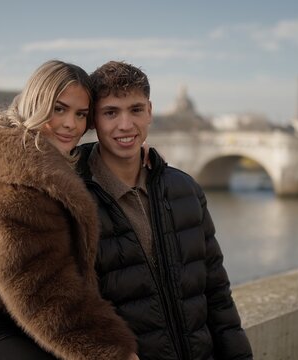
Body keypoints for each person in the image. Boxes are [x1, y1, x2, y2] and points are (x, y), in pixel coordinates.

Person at [0, 60, 138, 360]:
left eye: (81, 115)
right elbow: (39, 284)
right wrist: (112, 352)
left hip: (16, 320)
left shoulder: (40, 162)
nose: (71, 123)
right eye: (59, 108)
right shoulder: (20, 179)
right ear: (36, 103)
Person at [77, 61, 253, 359]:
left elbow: (218, 298)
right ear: (93, 120)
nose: (125, 125)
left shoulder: (185, 190)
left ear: (149, 111)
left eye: (135, 110)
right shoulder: (73, 199)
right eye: (111, 113)